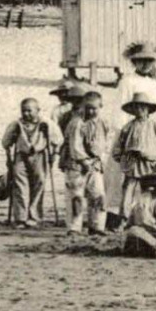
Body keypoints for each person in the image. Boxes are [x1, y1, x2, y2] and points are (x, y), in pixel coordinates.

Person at [2, 96, 63, 228]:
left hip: (39, 155)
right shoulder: (16, 124)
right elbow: (6, 142)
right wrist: (8, 157)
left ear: (38, 110)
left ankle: (34, 217)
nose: (26, 114)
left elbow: (57, 139)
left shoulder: (46, 123)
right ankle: (20, 218)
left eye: (29, 111)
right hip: (21, 156)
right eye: (23, 111)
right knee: (19, 185)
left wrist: (55, 153)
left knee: (39, 184)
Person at [112, 88, 156, 220]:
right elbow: (118, 146)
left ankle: (149, 216)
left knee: (149, 191)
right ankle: (125, 217)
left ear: (148, 109)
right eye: (137, 108)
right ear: (133, 110)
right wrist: (120, 156)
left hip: (149, 164)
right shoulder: (128, 127)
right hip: (132, 164)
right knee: (128, 190)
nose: (140, 110)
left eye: (143, 108)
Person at [60, 90, 112, 234]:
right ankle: (74, 227)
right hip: (77, 165)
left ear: (101, 106)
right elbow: (75, 145)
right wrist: (84, 161)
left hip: (95, 164)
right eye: (87, 107)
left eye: (94, 108)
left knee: (98, 195)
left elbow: (106, 143)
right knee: (76, 196)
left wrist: (100, 159)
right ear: (82, 106)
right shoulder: (77, 123)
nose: (91, 111)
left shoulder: (104, 123)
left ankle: (96, 225)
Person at [114, 42, 156, 114]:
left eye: (149, 60)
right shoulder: (127, 82)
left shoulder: (153, 83)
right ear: (134, 62)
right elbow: (120, 110)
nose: (146, 64)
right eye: (141, 60)